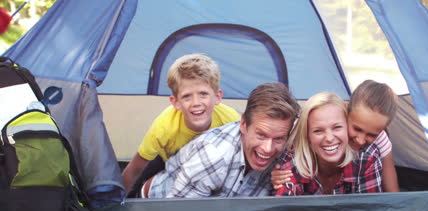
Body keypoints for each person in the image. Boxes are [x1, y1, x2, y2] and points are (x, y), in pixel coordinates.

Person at [142, 82, 300, 198]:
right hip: (156, 203)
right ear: (244, 124)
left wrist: (280, 187)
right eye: (261, 135)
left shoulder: (287, 154)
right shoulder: (214, 154)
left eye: (278, 138)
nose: (268, 148)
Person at [122, 53, 240, 193]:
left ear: (217, 97)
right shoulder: (164, 126)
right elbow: (136, 167)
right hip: (168, 164)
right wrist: (114, 202)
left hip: (210, 167)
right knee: (143, 185)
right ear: (176, 102)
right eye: (187, 96)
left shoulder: (231, 120)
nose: (196, 103)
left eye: (203, 94)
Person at [272, 80, 399, 193]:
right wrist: (278, 175)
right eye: (356, 129)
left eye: (371, 135)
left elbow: (391, 193)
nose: (360, 140)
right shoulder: (300, 132)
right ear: (346, 110)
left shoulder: (375, 145)